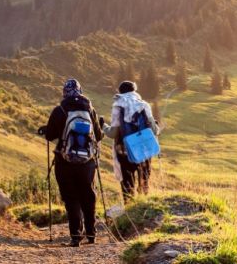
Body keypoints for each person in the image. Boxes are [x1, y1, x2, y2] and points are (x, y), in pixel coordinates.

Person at [41, 79, 103, 247]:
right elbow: (99, 135)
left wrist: (45, 130)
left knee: (71, 198)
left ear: (65, 92)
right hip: (87, 162)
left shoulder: (59, 110)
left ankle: (76, 236)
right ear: (80, 91)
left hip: (64, 161)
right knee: (88, 196)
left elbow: (50, 135)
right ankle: (91, 234)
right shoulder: (90, 110)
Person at [103, 80, 160, 203]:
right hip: (144, 150)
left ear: (120, 92)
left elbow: (113, 133)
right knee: (144, 181)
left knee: (128, 183)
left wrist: (103, 126)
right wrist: (156, 126)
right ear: (134, 91)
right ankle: (143, 208)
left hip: (125, 151)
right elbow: (155, 131)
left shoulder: (118, 106)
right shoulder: (144, 105)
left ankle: (129, 209)